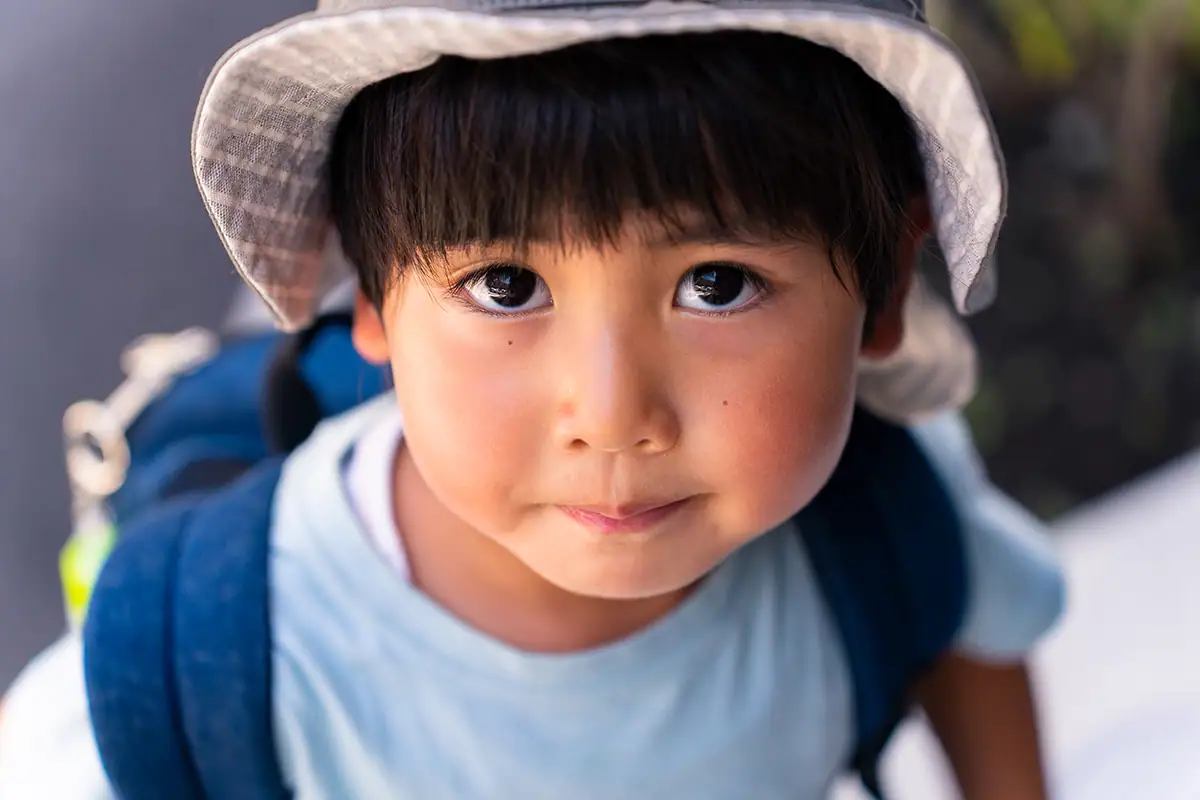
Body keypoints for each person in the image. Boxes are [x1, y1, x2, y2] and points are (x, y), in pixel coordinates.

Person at [0, 1, 1065, 797]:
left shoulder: (887, 518)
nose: (609, 411)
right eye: (506, 286)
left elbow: (973, 634)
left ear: (881, 288)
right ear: (371, 298)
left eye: (718, 282)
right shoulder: (202, 676)